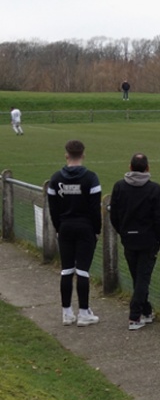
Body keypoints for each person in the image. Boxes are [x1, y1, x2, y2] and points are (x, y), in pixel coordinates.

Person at [108, 153, 160, 331]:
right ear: (148, 168)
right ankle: (135, 315)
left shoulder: (119, 187)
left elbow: (114, 215)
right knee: (142, 277)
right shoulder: (155, 189)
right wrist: (159, 238)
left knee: (139, 277)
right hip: (148, 240)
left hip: (129, 238)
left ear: (130, 167)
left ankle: (146, 311)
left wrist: (123, 232)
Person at [47, 140, 102, 327]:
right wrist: (96, 230)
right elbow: (96, 208)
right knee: (83, 270)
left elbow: (53, 208)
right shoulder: (91, 178)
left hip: (65, 227)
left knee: (66, 269)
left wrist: (58, 227)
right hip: (85, 227)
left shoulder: (55, 179)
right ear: (83, 155)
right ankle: (84, 313)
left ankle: (66, 312)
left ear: (66, 155)